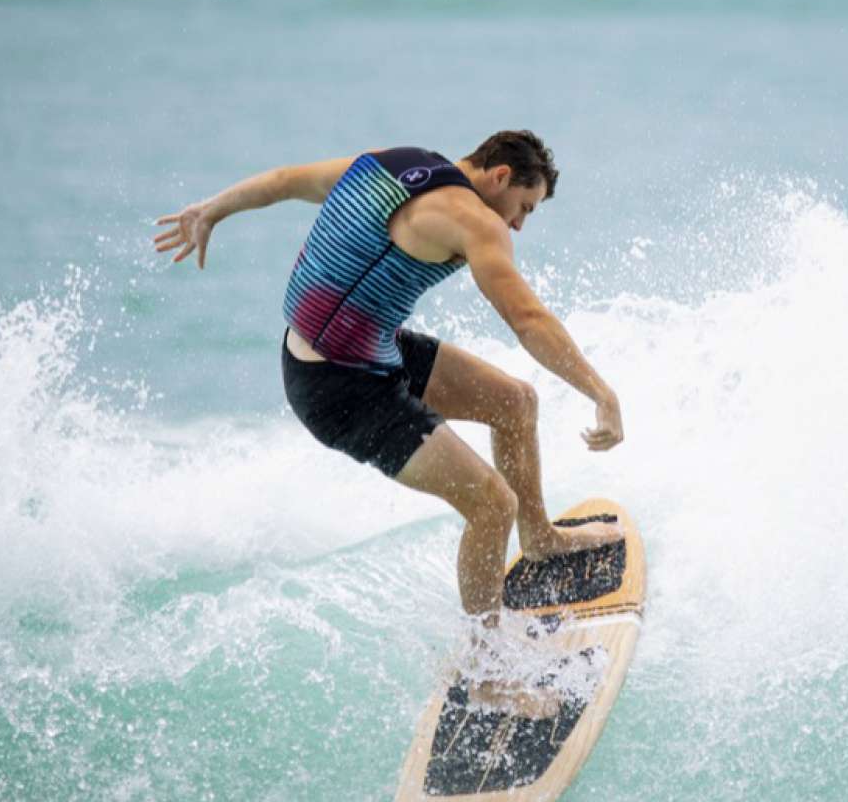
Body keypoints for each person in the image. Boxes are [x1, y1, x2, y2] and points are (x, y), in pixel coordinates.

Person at [154, 130, 623, 622]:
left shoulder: (394, 165)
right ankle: (488, 666)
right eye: (525, 206)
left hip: (353, 351)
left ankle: (540, 539)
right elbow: (527, 319)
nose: (520, 223)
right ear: (501, 176)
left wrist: (212, 210)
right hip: (339, 387)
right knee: (491, 505)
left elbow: (287, 181)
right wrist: (601, 392)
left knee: (516, 403)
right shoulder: (478, 223)